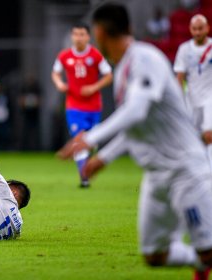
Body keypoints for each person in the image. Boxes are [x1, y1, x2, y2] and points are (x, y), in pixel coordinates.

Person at [57, 3, 212, 279]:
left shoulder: (145, 58)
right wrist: (104, 158)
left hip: (185, 170)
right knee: (155, 255)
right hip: (156, 176)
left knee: (207, 249)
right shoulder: (122, 69)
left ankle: (204, 262)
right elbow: (135, 124)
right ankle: (201, 266)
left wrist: (91, 138)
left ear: (100, 33)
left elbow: (136, 111)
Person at [51, 22, 113, 188]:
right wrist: (59, 83)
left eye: (82, 34)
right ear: (72, 36)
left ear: (88, 37)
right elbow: (55, 72)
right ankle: (84, 177)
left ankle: (87, 161)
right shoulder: (64, 56)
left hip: (94, 106)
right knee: (79, 139)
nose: (78, 38)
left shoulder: (95, 55)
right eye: (75, 34)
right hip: (74, 106)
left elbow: (108, 75)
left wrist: (94, 87)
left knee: (90, 142)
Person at [173, 14, 212, 168]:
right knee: (194, 138)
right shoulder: (184, 49)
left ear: (207, 28)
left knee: (209, 134)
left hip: (210, 98)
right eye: (194, 29)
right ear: (190, 29)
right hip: (192, 99)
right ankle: (199, 171)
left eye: (200, 28)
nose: (197, 32)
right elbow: (179, 77)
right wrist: (178, 100)